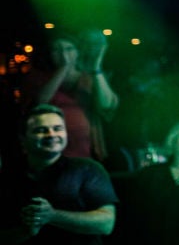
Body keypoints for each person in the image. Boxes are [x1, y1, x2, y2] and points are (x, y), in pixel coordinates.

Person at [0, 104, 118, 245]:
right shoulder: (8, 177)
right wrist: (25, 231)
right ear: (22, 138)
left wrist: (52, 216)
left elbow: (106, 223)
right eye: (41, 130)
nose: (51, 134)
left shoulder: (88, 169)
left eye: (58, 128)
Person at [25, 31, 118, 161]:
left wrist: (96, 67)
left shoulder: (89, 78)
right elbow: (40, 101)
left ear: (77, 52)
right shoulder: (41, 78)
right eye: (57, 50)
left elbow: (106, 104)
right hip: (51, 148)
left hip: (85, 149)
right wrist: (64, 68)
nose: (64, 54)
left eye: (69, 49)